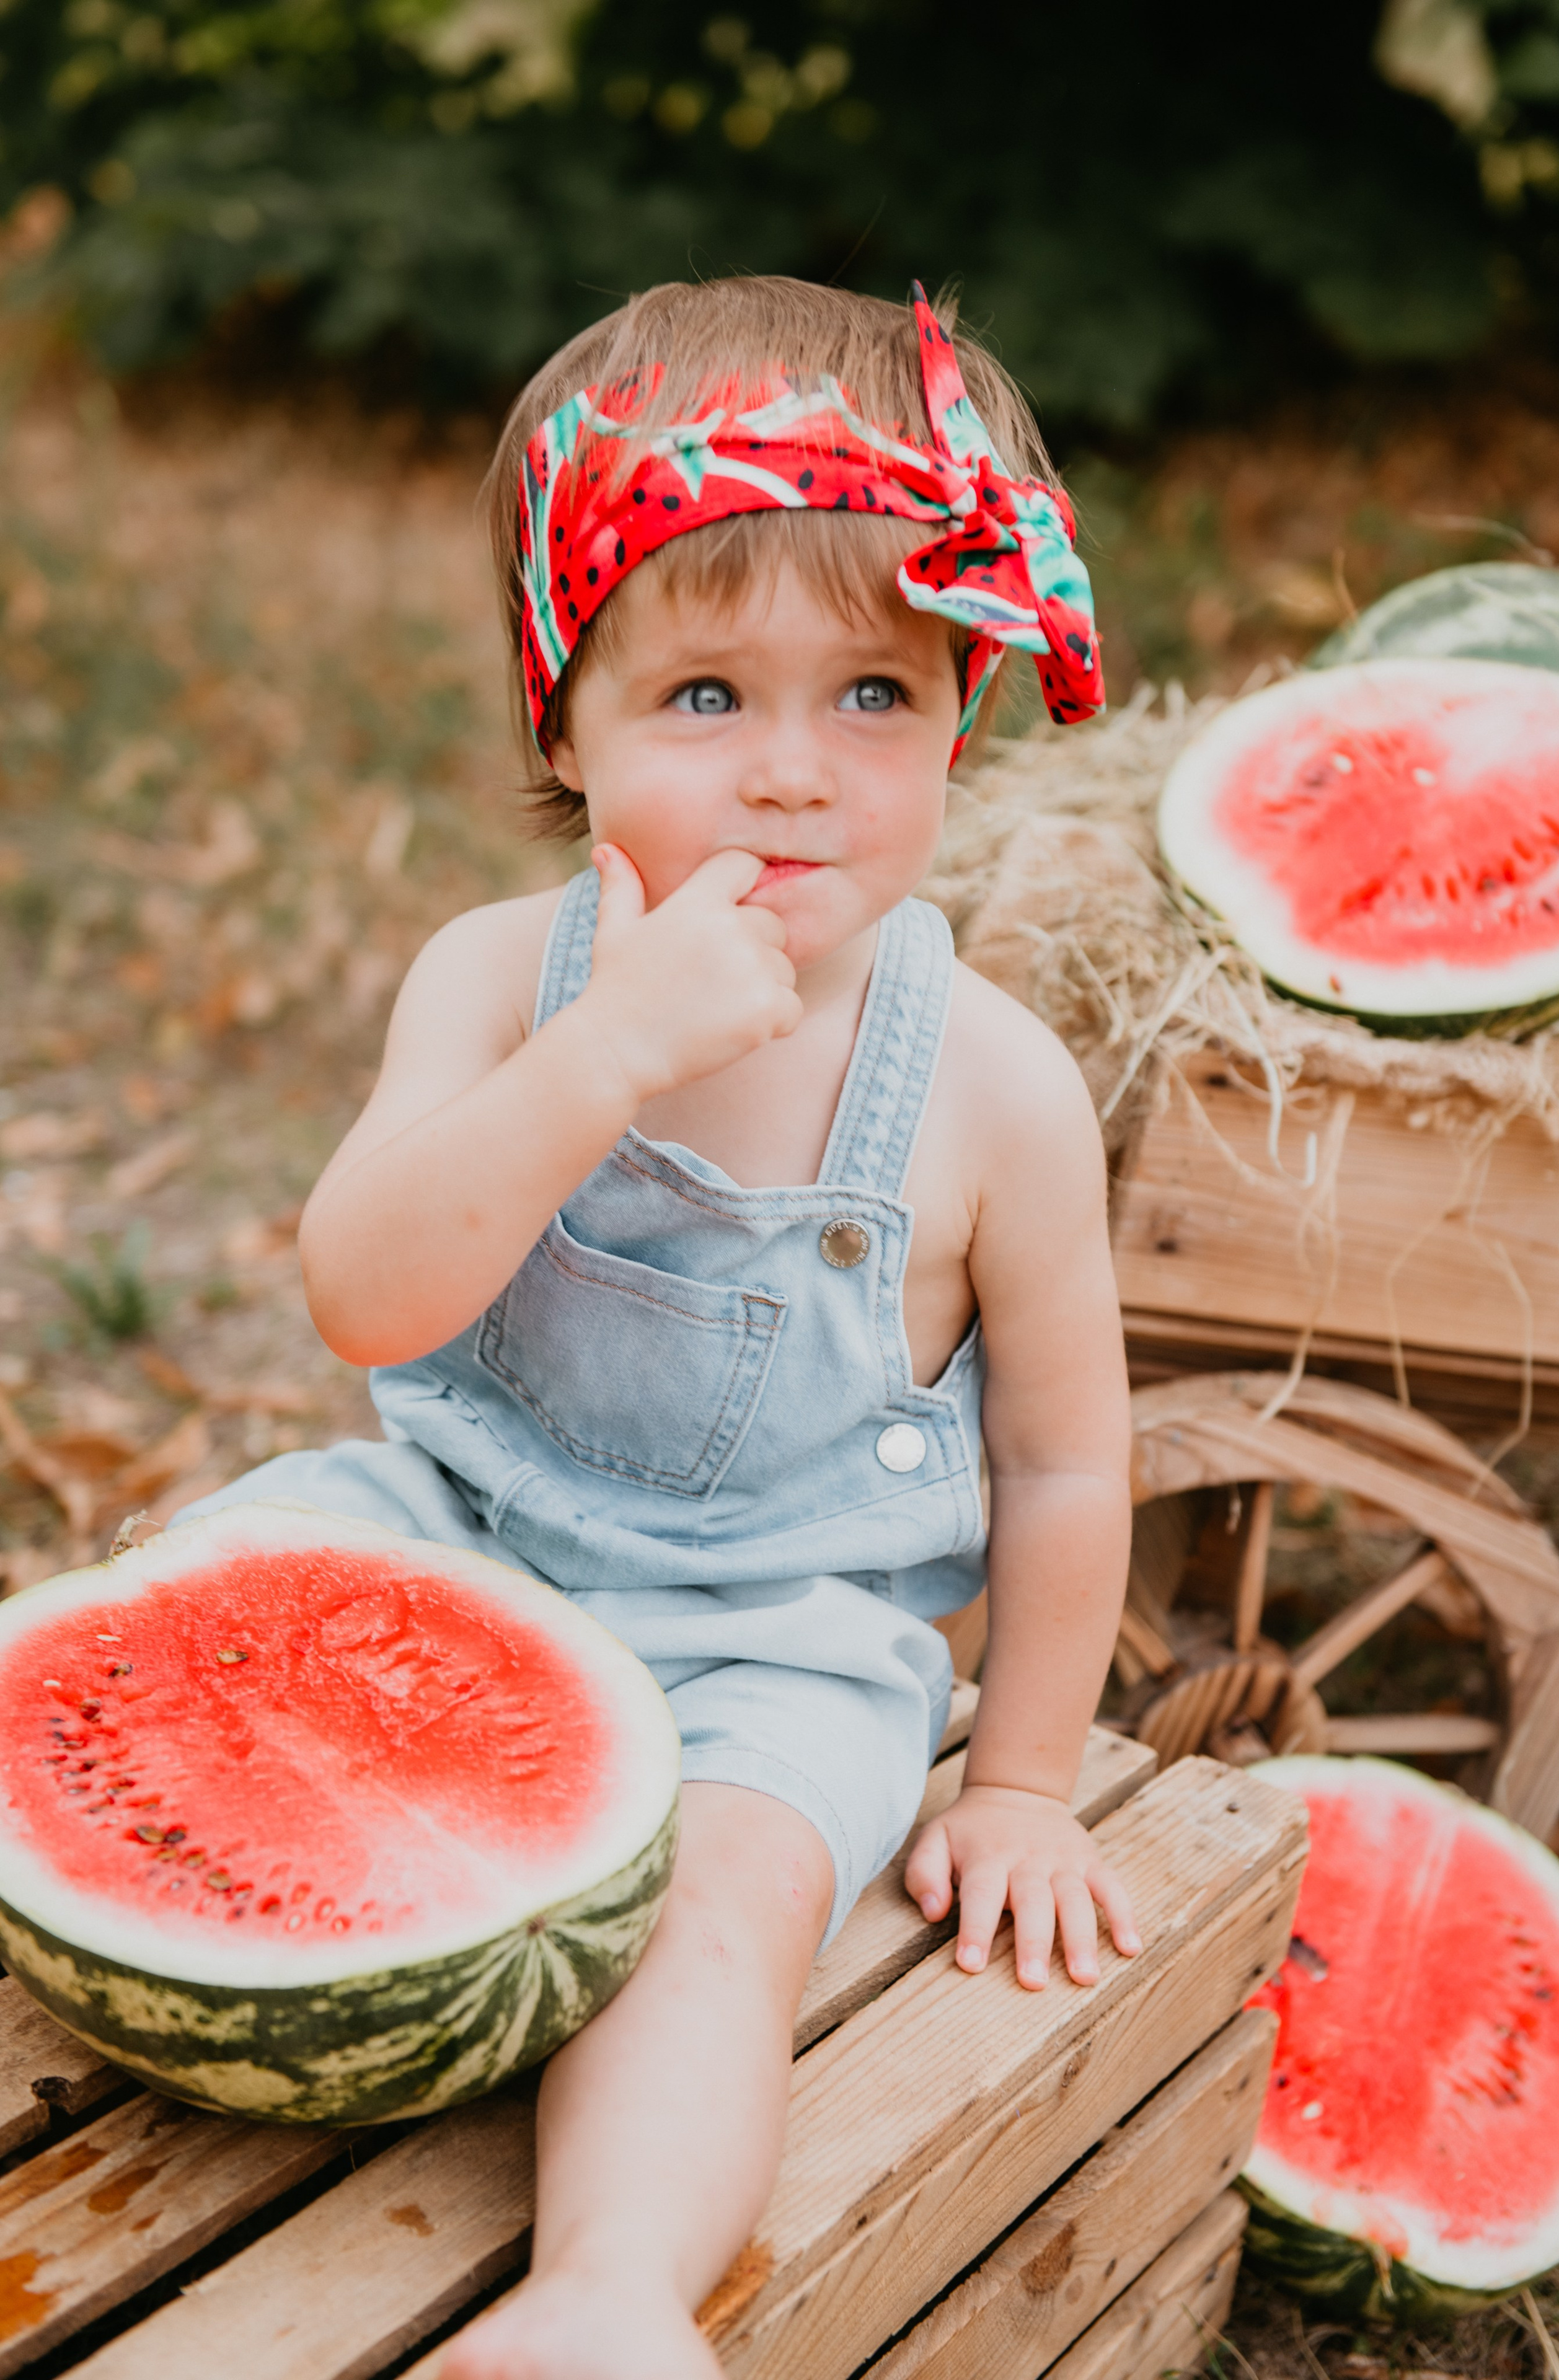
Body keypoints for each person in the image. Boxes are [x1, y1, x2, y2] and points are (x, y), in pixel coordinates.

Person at [180, 274, 1140, 2380]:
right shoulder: (490, 980)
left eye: (874, 698)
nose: (792, 780)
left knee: (719, 1914)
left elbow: (1065, 1461)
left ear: (966, 714)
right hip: (454, 1528)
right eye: (705, 696)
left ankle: (602, 2298)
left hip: (774, 1642)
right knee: (187, 1618)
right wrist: (596, 1061)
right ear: (565, 718)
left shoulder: (990, 1087)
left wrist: (1033, 1782)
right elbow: (369, 1288)